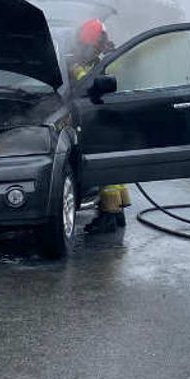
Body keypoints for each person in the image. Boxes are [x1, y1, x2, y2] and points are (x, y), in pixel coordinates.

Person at [69, 18, 132, 233]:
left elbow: (89, 83)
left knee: (106, 170)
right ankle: (118, 213)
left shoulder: (103, 61)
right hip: (114, 118)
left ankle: (109, 216)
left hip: (105, 119)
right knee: (115, 167)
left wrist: (76, 69)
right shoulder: (109, 56)